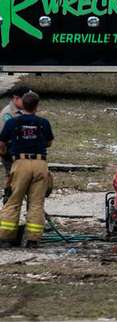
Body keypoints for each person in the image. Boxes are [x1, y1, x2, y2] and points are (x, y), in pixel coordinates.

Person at [0, 92, 54, 248]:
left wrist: (5, 153)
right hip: (40, 164)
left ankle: (5, 238)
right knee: (36, 203)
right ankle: (33, 240)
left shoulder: (13, 123)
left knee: (13, 201)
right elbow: (49, 142)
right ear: (37, 106)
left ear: (22, 104)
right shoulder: (44, 123)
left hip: (20, 163)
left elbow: (1, 143)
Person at [0, 85, 30, 201]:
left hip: (21, 152)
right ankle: (8, 199)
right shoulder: (7, 114)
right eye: (25, 99)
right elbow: (4, 138)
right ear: (16, 98)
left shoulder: (24, 110)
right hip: (10, 152)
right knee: (12, 178)